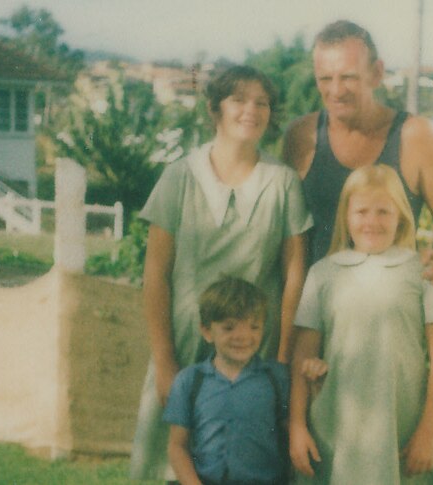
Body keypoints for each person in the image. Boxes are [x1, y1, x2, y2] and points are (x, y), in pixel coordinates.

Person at [130, 65, 312, 481]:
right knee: (170, 459)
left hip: (254, 346)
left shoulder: (282, 183)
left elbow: (294, 277)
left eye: (262, 102)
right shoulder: (180, 176)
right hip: (185, 341)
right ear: (215, 109)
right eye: (239, 100)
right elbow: (155, 275)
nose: (251, 110)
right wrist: (163, 361)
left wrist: (281, 358)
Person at [289, 165, 433, 484]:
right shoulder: (322, 273)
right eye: (362, 211)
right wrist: (297, 426)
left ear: (401, 217)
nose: (372, 221)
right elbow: (302, 357)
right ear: (346, 216)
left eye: (383, 211)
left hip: (401, 427)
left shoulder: (425, 274)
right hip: (335, 427)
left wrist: (427, 433)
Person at [282, 20, 433, 284]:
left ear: (376, 73)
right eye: (325, 79)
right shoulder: (301, 136)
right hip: (317, 314)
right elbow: (288, 240)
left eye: (348, 77)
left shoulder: (414, 136)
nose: (336, 90)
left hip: (391, 305)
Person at [164, 276, 289, 485]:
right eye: (229, 327)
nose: (242, 336)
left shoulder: (277, 378)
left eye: (254, 327)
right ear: (207, 331)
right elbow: (177, 446)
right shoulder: (189, 381)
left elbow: (293, 432)